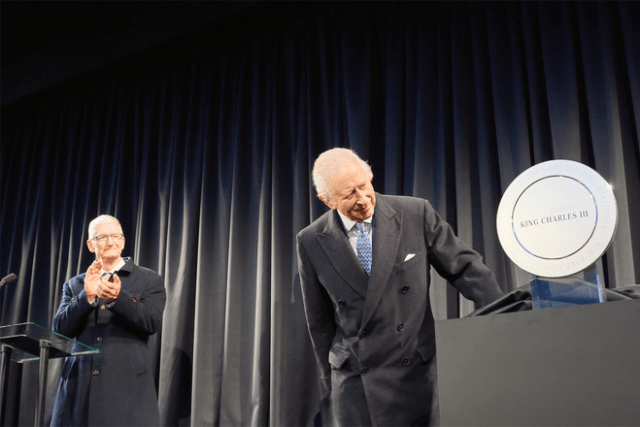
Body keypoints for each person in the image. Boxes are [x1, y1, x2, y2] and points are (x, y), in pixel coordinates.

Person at [296, 148, 504, 426]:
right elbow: (319, 322)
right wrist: (330, 381)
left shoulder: (414, 213)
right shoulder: (310, 240)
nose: (363, 199)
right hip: (356, 381)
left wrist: (502, 322)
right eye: (349, 194)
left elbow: (466, 269)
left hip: (415, 372)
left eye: (364, 186)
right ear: (327, 200)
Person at [50, 214, 166, 426]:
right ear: (90, 244)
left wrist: (118, 299)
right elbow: (59, 330)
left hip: (126, 386)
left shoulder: (149, 279)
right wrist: (86, 298)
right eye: (102, 237)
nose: (110, 242)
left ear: (122, 241)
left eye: (115, 236)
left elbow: (152, 322)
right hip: (79, 385)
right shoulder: (74, 284)